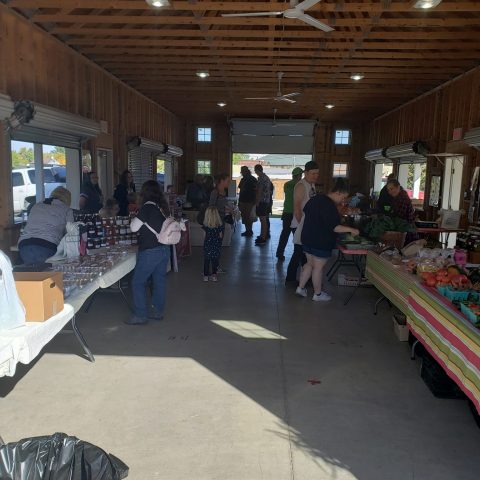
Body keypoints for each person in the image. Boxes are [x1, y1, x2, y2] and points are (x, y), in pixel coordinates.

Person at [296, 179, 360, 302]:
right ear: (339, 193)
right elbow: (335, 227)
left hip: (307, 238)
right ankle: (318, 295)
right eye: (343, 198)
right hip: (320, 241)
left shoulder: (315, 199)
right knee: (318, 268)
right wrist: (352, 230)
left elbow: (307, 212)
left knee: (309, 264)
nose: (343, 201)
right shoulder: (329, 205)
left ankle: (300, 288)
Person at [128, 180, 171, 325]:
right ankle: (157, 311)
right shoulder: (163, 207)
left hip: (150, 250)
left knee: (137, 282)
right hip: (164, 249)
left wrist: (134, 218)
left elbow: (134, 228)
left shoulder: (147, 208)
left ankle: (141, 315)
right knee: (159, 281)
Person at [18, 186, 73, 264]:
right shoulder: (66, 209)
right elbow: (70, 232)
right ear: (68, 199)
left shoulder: (36, 205)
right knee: (48, 274)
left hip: (24, 245)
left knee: (31, 274)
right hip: (47, 246)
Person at [285, 161, 320, 283]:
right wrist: (303, 227)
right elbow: (297, 209)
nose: (315, 176)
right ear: (305, 173)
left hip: (307, 225)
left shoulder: (311, 185)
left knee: (306, 254)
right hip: (300, 225)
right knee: (299, 253)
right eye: (313, 173)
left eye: (317, 173)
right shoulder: (301, 186)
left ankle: (307, 279)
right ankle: (290, 279)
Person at [276, 167, 303, 260]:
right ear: (299, 175)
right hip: (296, 213)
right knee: (298, 234)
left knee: (285, 234)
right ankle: (298, 255)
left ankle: (279, 253)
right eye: (301, 175)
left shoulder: (287, 184)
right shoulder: (300, 185)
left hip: (287, 212)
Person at [386, 178, 418, 244]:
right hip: (404, 231)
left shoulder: (403, 198)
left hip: (407, 233)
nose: (390, 192)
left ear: (398, 187)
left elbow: (400, 217)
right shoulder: (397, 198)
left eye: (391, 189)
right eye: (388, 190)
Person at [202, 206, 224, 282]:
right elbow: (221, 236)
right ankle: (214, 276)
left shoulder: (205, 226)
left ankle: (206, 276)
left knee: (206, 261)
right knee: (215, 261)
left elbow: (204, 236)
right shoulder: (219, 226)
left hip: (207, 246)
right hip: (216, 246)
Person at [254, 164, 273, 246]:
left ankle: (263, 237)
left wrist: (257, 201)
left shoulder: (262, 178)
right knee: (263, 219)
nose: (255, 172)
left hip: (262, 201)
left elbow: (260, 190)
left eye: (255, 171)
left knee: (263, 220)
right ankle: (262, 235)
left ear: (257, 170)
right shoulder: (266, 177)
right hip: (266, 201)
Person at [238, 166, 257, 237]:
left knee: (248, 216)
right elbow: (241, 190)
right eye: (241, 171)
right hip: (243, 200)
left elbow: (256, 191)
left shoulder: (253, 179)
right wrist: (239, 201)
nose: (242, 173)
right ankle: (248, 230)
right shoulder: (243, 179)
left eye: (242, 171)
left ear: (246, 171)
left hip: (249, 201)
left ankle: (249, 230)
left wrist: (254, 201)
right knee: (244, 216)